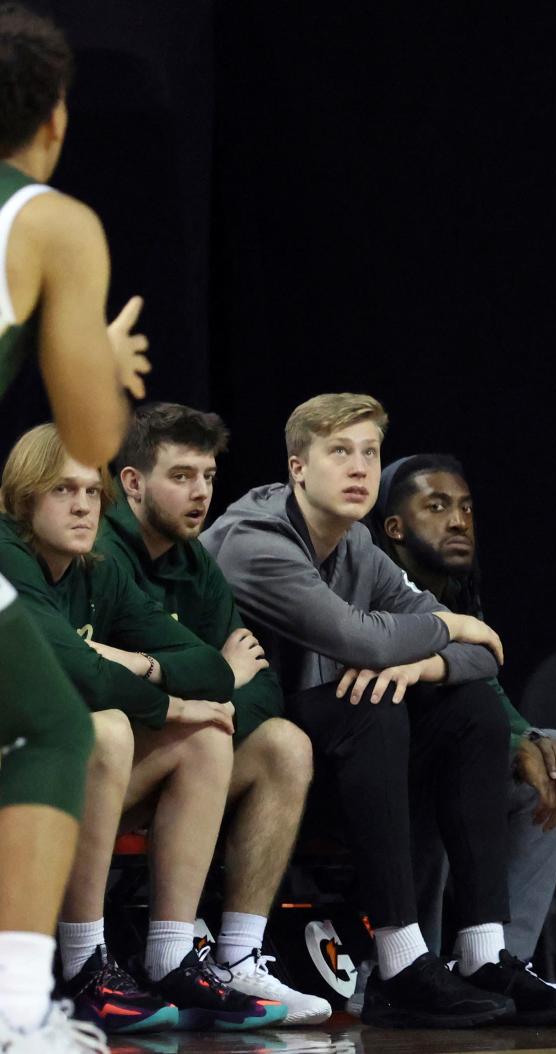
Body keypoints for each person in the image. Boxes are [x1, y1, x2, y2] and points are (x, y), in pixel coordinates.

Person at [202, 393, 556, 1028]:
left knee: (467, 709)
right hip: (252, 757)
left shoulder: (356, 545)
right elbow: (359, 639)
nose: (359, 469)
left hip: (341, 760)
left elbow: (483, 661)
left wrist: (425, 662)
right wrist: (450, 628)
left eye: (369, 453)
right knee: (370, 706)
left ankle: (484, 953)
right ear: (298, 468)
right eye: (339, 453)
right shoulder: (254, 538)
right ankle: (401, 962)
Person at [0, 425, 287, 1033]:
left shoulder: (95, 569)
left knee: (207, 738)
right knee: (106, 729)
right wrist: (169, 703)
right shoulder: (6, 554)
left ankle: (171, 955)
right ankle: (83, 965)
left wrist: (137, 662)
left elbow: (209, 665)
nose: (82, 506)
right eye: (61, 491)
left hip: (49, 787)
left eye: (89, 492)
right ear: (25, 498)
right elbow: (72, 677)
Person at [0, 4, 151, 1049]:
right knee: (52, 729)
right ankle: (17, 1010)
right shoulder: (52, 222)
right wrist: (102, 359)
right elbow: (92, 435)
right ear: (52, 120)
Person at [95, 402, 329, 1024]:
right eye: (180, 476)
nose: (199, 493)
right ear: (133, 483)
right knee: (187, 735)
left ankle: (236, 959)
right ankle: (110, 961)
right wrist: (197, 692)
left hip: (172, 763)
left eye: (207, 476)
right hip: (102, 762)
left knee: (284, 743)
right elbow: (99, 685)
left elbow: (259, 686)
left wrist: (203, 695)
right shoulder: (98, 550)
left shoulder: (194, 559)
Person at [373, 454, 556, 1010]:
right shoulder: (373, 574)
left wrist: (527, 739)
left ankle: (495, 961)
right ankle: (423, 958)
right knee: (458, 750)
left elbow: (481, 677)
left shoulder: (454, 589)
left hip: (439, 751)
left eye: (466, 508)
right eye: (437, 507)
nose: (458, 521)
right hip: (371, 763)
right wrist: (516, 740)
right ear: (394, 527)